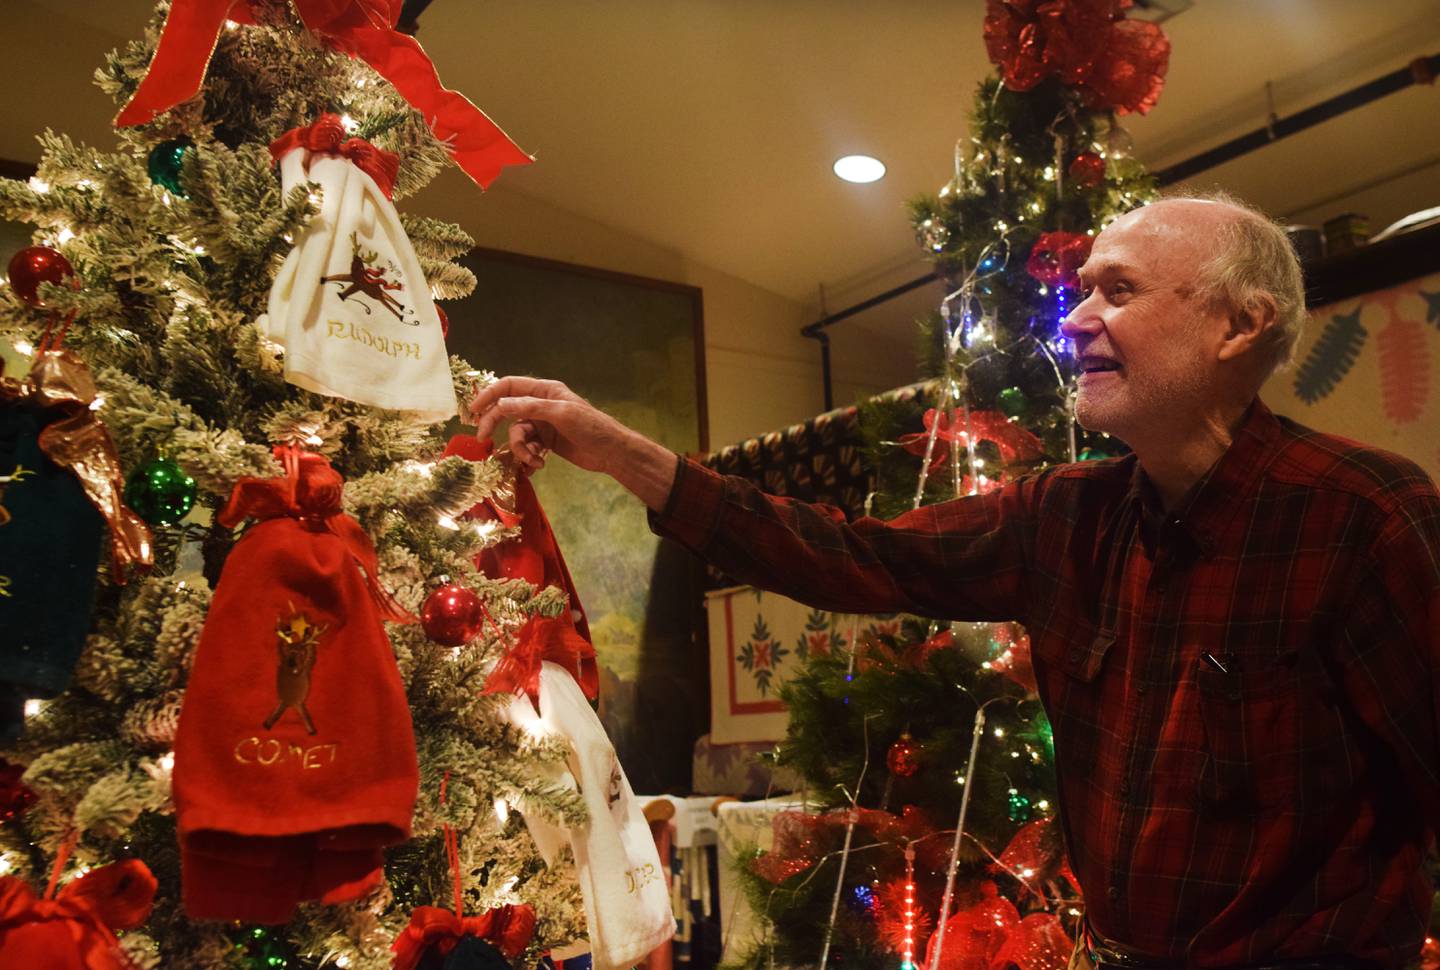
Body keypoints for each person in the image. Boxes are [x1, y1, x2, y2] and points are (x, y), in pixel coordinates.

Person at [468, 194, 1440, 970]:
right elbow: (855, 554)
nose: (1078, 318)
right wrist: (630, 457)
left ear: (1240, 325)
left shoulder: (1363, 518)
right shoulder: (1063, 515)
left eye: (1119, 290)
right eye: (1082, 290)